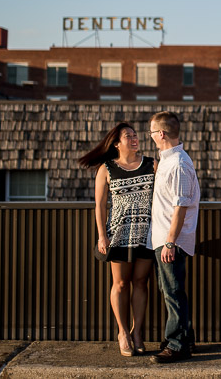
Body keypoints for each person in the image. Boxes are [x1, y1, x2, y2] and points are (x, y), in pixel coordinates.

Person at [78, 122, 155, 357]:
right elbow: (99, 206)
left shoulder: (152, 164)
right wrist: (102, 235)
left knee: (141, 283)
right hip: (119, 234)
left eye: (135, 135)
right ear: (116, 143)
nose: (134, 138)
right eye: (128, 136)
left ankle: (137, 333)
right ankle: (122, 332)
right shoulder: (107, 169)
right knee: (120, 284)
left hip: (147, 233)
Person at [147, 111, 200, 364]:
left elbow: (180, 207)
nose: (150, 137)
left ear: (161, 134)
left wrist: (170, 242)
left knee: (173, 291)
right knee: (170, 290)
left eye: (151, 133)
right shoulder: (169, 162)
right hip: (164, 239)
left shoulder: (178, 164)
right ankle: (184, 338)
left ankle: (177, 345)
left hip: (172, 242)